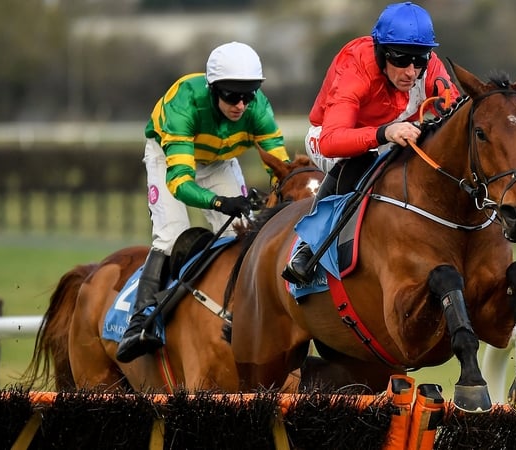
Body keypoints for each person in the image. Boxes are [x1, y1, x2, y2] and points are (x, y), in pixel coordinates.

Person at [117, 41, 291, 363]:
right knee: (171, 236)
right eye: (231, 96)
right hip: (170, 158)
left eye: (248, 95)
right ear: (213, 90)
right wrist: (220, 203)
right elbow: (181, 182)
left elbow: (279, 164)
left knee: (243, 232)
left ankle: (252, 312)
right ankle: (140, 320)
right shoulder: (184, 101)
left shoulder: (257, 107)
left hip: (220, 161)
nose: (241, 105)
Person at [282, 2, 461, 285]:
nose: (412, 72)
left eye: (420, 61)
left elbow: (453, 112)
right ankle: (308, 246)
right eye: (401, 60)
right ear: (381, 52)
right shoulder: (355, 70)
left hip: (394, 132)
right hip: (331, 137)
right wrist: (383, 133)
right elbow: (331, 141)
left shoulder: (427, 66)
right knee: (362, 161)